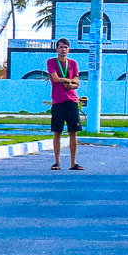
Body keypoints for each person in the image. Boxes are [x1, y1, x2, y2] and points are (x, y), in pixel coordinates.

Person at [46, 38, 84, 171]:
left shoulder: (73, 63)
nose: (63, 50)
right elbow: (55, 78)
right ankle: (57, 162)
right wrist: (69, 80)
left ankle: (74, 163)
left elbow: (77, 83)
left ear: (69, 49)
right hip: (58, 102)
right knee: (57, 132)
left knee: (73, 132)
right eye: (61, 47)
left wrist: (70, 85)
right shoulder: (51, 62)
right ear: (57, 49)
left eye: (66, 47)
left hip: (72, 101)